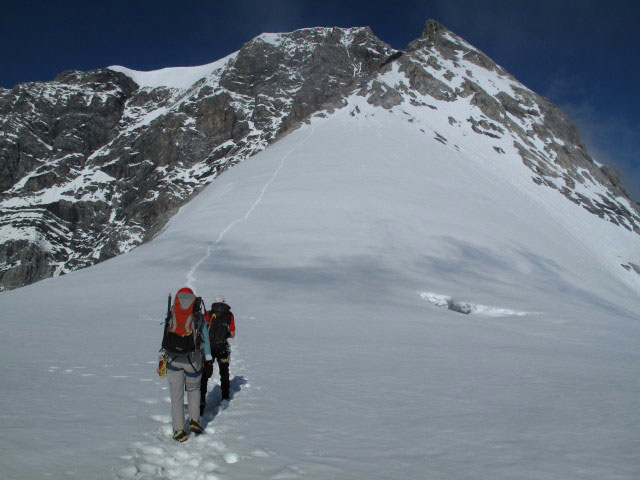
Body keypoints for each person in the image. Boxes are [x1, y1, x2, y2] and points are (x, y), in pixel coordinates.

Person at [158, 287, 207, 442]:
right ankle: (194, 420)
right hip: (192, 359)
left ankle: (178, 430)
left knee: (176, 395)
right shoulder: (197, 314)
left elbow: (166, 335)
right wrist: (207, 357)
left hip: (173, 358)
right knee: (193, 389)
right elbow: (204, 338)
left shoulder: (172, 312)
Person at [200, 295, 236, 413]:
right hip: (222, 347)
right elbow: (232, 334)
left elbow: (202, 330)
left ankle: (201, 400)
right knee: (224, 372)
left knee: (204, 374)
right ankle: (225, 396)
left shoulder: (208, 314)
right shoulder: (229, 315)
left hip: (208, 348)